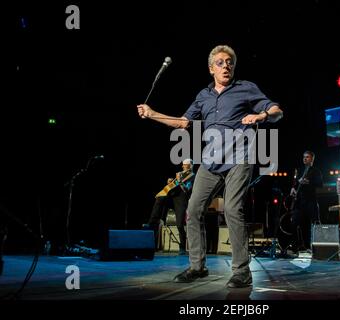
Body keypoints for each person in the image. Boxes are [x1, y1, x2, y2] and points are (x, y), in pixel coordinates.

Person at [137, 45, 283, 288]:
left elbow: (277, 110)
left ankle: (241, 271)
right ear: (210, 68)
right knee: (193, 210)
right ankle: (197, 266)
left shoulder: (246, 88)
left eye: (230, 62)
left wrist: (261, 116)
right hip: (210, 160)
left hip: (240, 156)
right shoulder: (203, 97)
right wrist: (152, 114)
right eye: (220, 62)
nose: (226, 66)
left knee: (233, 209)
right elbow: (182, 123)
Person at [146, 159, 195, 256]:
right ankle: (152, 222)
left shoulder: (192, 176)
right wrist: (171, 182)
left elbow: (186, 189)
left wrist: (180, 181)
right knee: (160, 198)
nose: (182, 166)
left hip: (181, 200)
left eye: (184, 165)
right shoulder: (179, 174)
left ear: (189, 166)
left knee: (180, 224)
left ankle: (182, 247)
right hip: (172, 197)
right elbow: (172, 186)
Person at [290, 151, 323, 253]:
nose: (305, 159)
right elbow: (295, 183)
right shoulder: (299, 170)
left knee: (312, 224)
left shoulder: (316, 171)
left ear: (312, 159)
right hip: (299, 201)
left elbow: (320, 184)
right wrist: (293, 188)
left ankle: (312, 246)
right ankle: (296, 246)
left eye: (307, 157)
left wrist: (308, 182)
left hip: (310, 201)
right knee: (294, 223)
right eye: (304, 157)